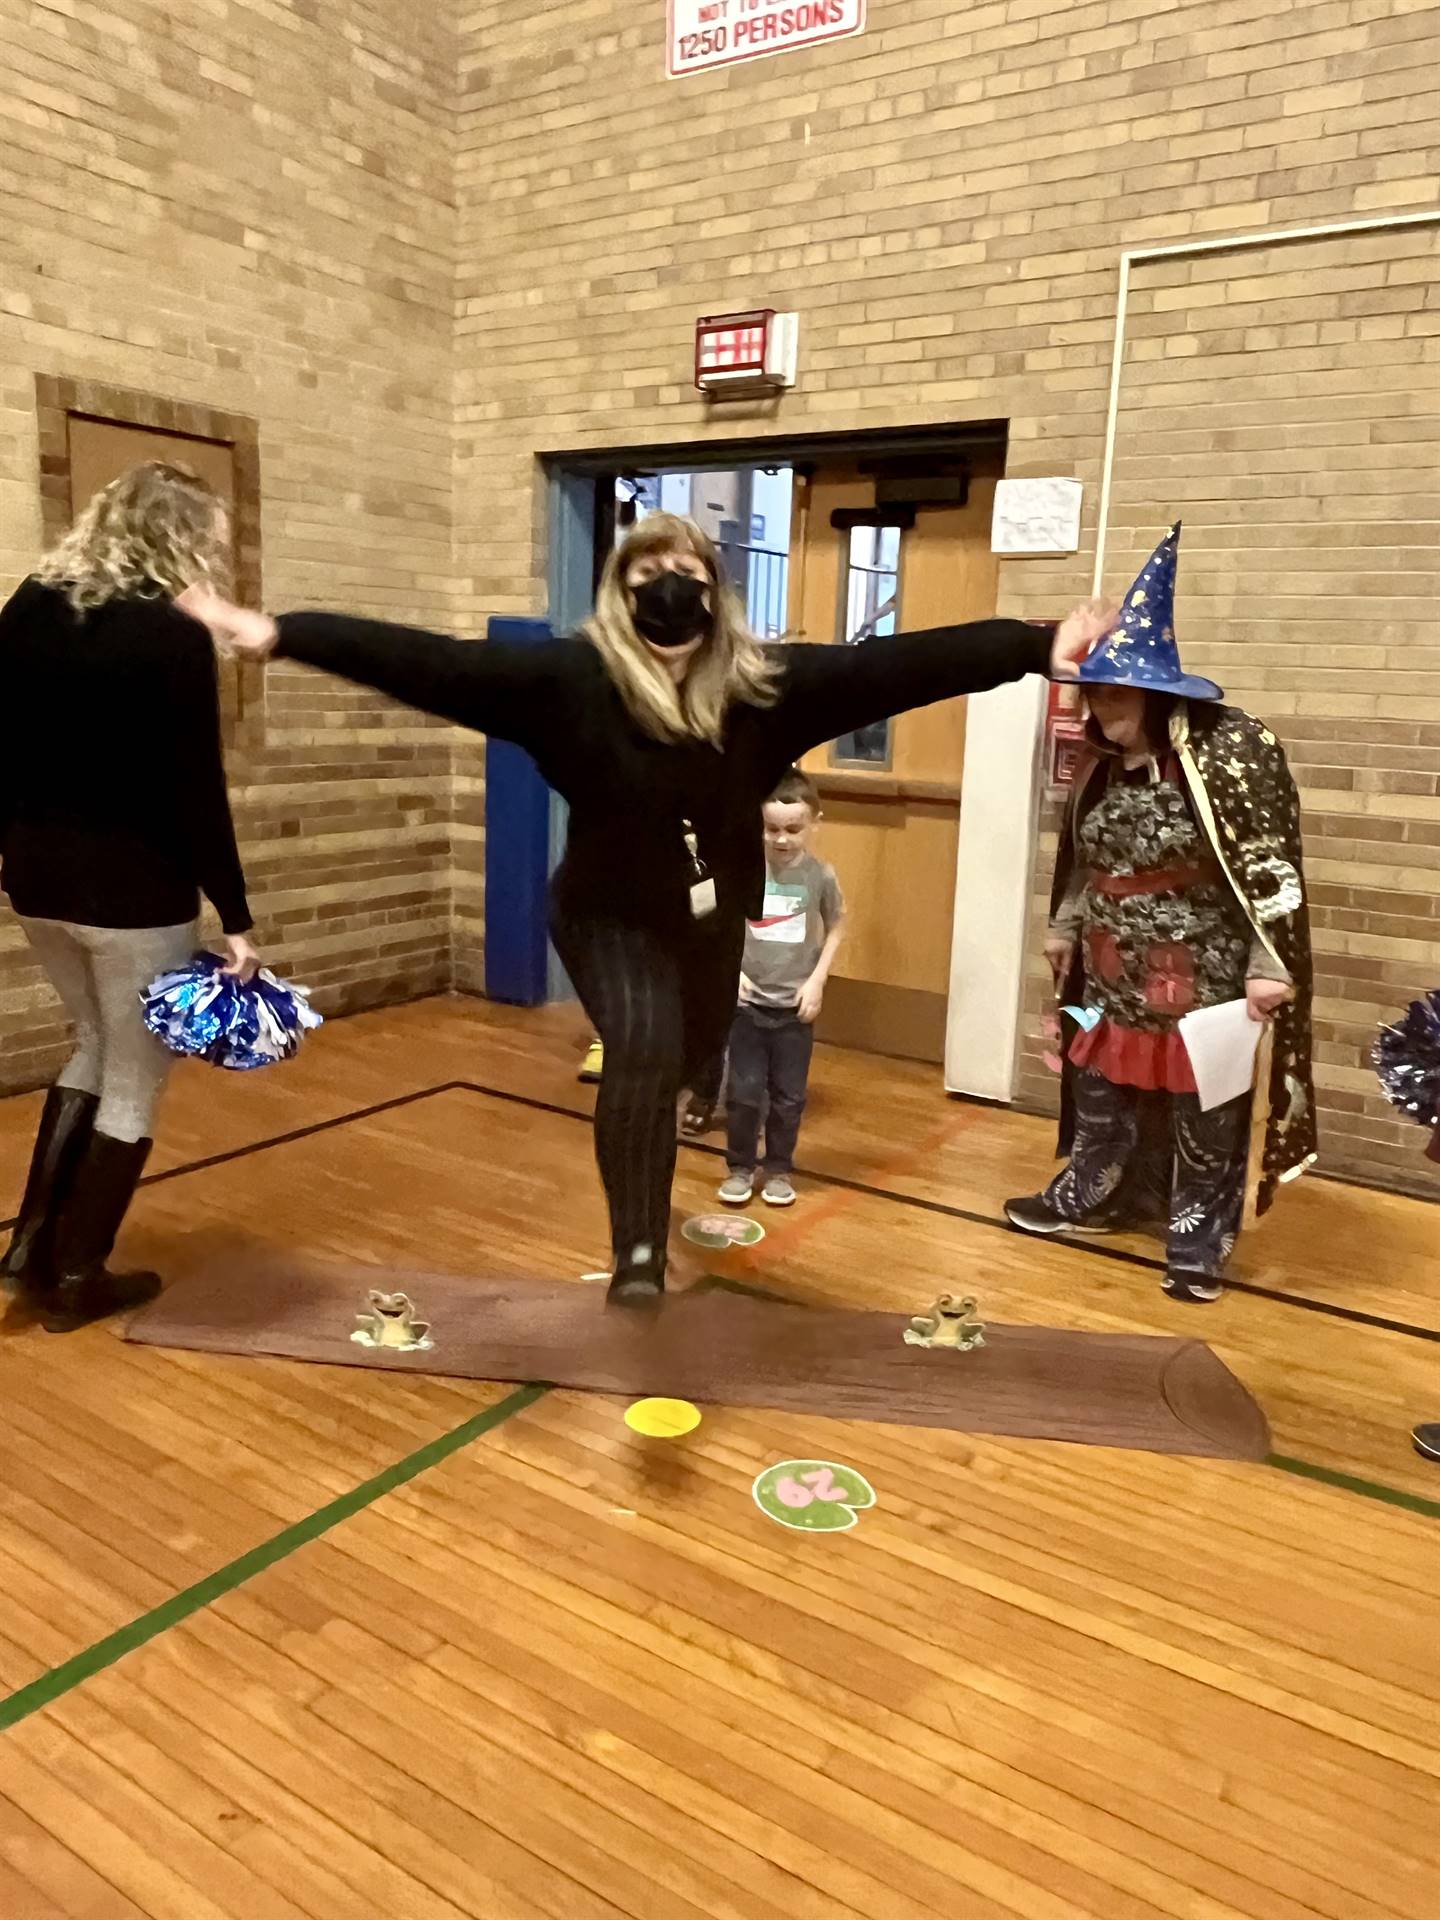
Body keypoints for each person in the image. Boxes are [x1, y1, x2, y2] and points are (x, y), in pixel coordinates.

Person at [182, 512, 1112, 1303]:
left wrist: (1035, 648)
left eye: (689, 571)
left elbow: (898, 668)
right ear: (620, 591)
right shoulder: (569, 683)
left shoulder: (759, 690)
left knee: (690, 1054)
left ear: (715, 589)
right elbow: (432, 664)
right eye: (647, 571)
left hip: (711, 922)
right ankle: (635, 1251)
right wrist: (282, 634)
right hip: (605, 915)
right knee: (642, 1045)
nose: (669, 585)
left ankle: (655, 1146)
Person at [1005, 524, 1315, 1303]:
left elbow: (1267, 870)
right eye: (1092, 692)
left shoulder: (1228, 760)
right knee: (1102, 1094)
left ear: (1151, 694)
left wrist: (1266, 964)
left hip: (1201, 976)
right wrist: (1064, 926)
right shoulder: (1101, 772)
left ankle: (1197, 1238)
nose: (1095, 708)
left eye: (1110, 694)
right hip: (1111, 969)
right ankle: (1096, 1193)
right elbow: (1085, 861)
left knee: (1203, 1113)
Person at [0, 462, 260, 1333]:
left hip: (36, 877)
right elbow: (195, 786)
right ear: (179, 536)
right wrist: (238, 913)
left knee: (90, 1047)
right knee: (135, 1081)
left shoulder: (29, 604)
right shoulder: (170, 635)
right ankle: (80, 1273)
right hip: (134, 891)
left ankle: (31, 1248)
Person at [718, 769, 843, 1209]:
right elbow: (721, 923)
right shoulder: (743, 870)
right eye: (772, 829)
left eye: (793, 829)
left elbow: (838, 927)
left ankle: (778, 1169)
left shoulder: (821, 876)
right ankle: (739, 1167)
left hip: (794, 1009)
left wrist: (817, 981)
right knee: (743, 1093)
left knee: (789, 1097)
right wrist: (732, 971)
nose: (782, 839)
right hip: (747, 1006)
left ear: (814, 823)